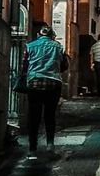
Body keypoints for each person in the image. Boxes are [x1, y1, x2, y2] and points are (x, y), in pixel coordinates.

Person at [22, 24, 67, 158]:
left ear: (38, 35)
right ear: (51, 35)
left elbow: (25, 65)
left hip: (34, 82)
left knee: (34, 116)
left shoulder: (30, 46)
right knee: (50, 115)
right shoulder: (58, 47)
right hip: (53, 83)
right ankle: (50, 145)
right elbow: (64, 65)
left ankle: (32, 148)